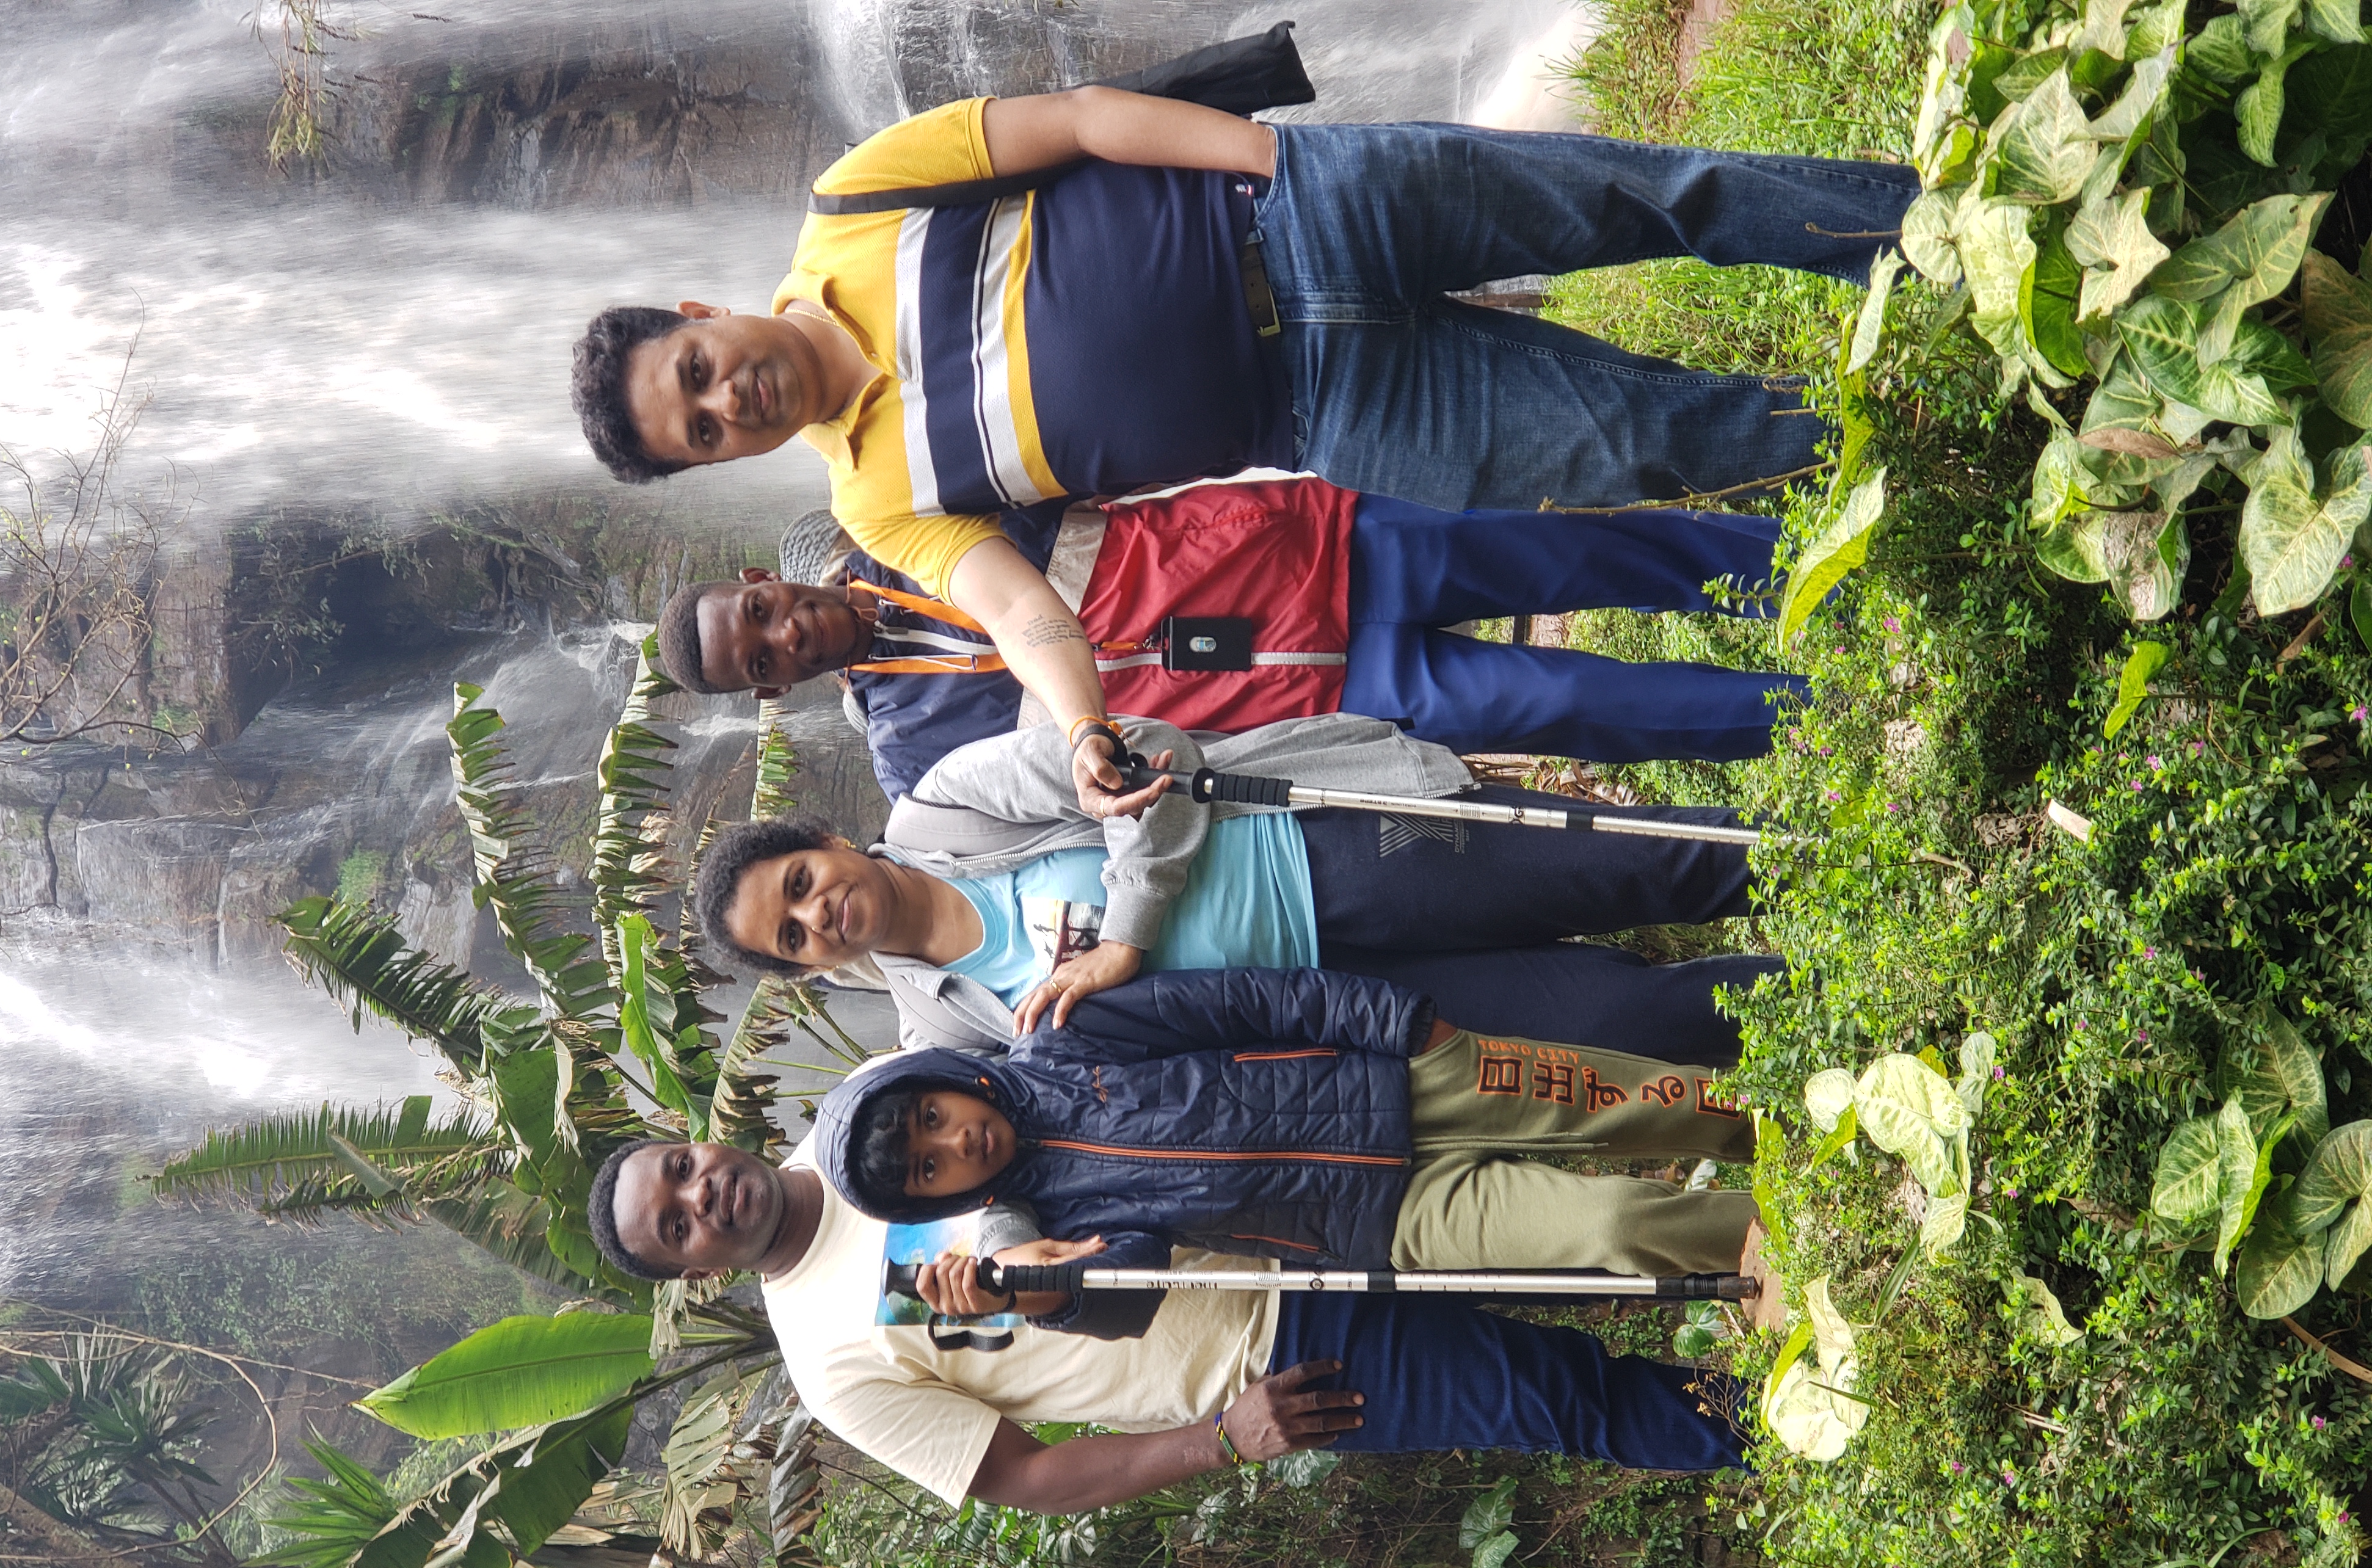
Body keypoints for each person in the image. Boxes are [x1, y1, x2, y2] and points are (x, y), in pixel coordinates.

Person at [571, 84, 1916, 813]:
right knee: (1651, 447)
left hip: (1310, 217)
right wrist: (1085, 729)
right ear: (715, 468)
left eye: (696, 371)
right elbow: (1024, 607)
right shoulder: (879, 502)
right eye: (699, 434)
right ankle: (1924, 454)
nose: (725, 401)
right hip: (1333, 411)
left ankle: (1927, 236)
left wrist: (1274, 160)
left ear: (703, 315)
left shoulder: (857, 200)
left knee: (1653, 198)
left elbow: (1081, 122)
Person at [582, 1130, 1748, 1512]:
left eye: (680, 1169)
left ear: (699, 1137)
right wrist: (1220, 1441)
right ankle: (1799, 1413)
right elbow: (1021, 1480)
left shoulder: (864, 1119)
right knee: (1556, 1395)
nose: (703, 1196)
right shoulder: (832, 1362)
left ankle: (1778, 1270)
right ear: (692, 1275)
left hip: (1293, 1207)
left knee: (1576, 1243)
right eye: (677, 1225)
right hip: (1280, 1358)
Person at [693, 711, 1779, 1065]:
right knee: (1614, 1024)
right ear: (805, 971)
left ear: (829, 840)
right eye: (791, 938)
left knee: (1629, 862)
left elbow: (1149, 753)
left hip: (1335, 850)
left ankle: (1832, 861)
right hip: (1338, 1014)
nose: (816, 915)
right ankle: (1821, 990)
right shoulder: (939, 1027)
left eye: (799, 882)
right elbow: (1039, 1118)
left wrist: (1126, 934)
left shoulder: (948, 807)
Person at [660, 480, 1804, 802]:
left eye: (759, 615)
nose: (784, 639)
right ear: (771, 695)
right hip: (1311, 702)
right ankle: (1808, 715)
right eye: (761, 663)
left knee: (1575, 553)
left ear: (764, 579)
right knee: (1565, 706)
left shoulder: (900, 506)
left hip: (1297, 551)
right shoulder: (915, 761)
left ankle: (1795, 566)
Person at [813, 965, 1760, 1342]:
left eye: (929, 1117)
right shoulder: (1049, 1225)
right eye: (932, 1170)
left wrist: (1403, 1025)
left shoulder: (1069, 1030)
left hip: (1404, 1078)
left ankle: (1788, 1130)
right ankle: (1789, 1242)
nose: (954, 1143)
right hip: (1379, 1222)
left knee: (1641, 1102)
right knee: (1616, 1224)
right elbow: (1138, 1293)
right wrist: (1036, 1290)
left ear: (938, 1078)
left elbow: (1245, 1003)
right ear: (938, 1202)